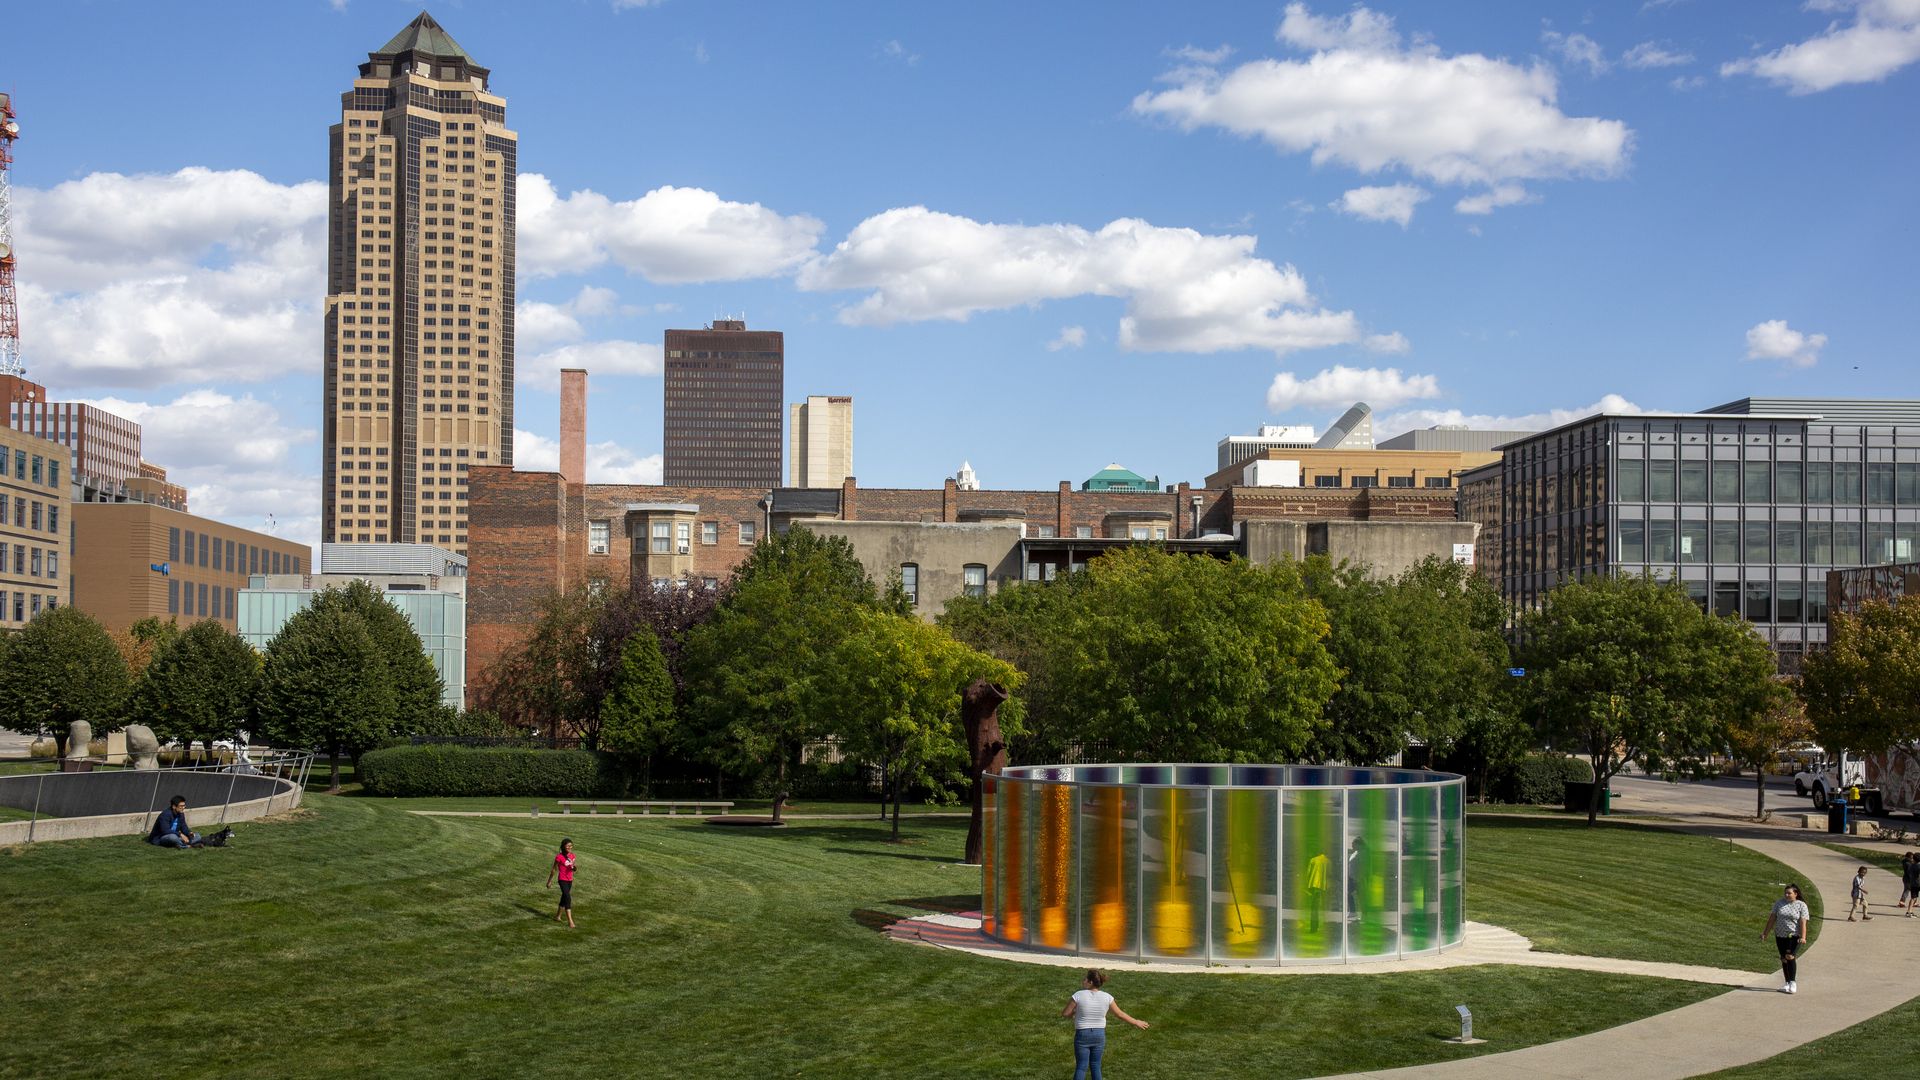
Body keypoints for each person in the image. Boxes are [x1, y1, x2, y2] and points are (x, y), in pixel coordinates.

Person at [1060, 968, 1148, 1080]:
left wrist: (1075, 1012)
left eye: (1085, 979)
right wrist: (1136, 1022)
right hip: (1099, 1035)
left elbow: (1065, 1013)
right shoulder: (1107, 997)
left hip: (1082, 1034)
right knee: (1096, 1066)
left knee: (1081, 1067)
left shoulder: (1078, 995)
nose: (1083, 980)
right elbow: (1120, 1014)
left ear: (1090, 982)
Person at [1760, 882, 1809, 994]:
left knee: (1790, 956)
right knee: (1783, 958)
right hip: (1780, 936)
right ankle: (1787, 983)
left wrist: (1803, 937)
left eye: (1789, 893)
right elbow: (1772, 918)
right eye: (1785, 893)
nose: (1786, 895)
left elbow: (1803, 922)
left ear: (1795, 894)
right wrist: (1765, 933)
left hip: (1793, 936)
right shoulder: (1779, 903)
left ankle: (1793, 982)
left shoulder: (1801, 905)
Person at [546, 838, 577, 928]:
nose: (569, 847)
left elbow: (573, 867)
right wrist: (549, 881)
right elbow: (554, 869)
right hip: (562, 879)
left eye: (571, 846)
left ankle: (558, 916)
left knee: (564, 897)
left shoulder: (572, 856)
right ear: (563, 846)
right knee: (568, 897)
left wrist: (574, 868)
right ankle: (570, 921)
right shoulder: (559, 857)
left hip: (570, 880)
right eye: (568, 846)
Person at [1901, 852, 1919, 918]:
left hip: (1913, 883)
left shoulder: (1911, 865)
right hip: (1917, 883)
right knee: (1913, 897)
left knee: (1913, 898)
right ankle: (1909, 911)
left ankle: (1909, 911)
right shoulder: (1918, 866)